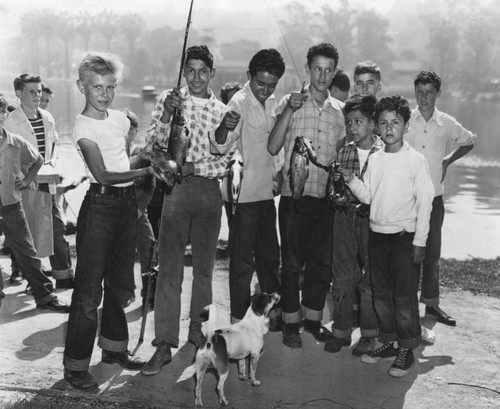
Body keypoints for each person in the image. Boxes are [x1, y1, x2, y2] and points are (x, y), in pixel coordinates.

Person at [141, 45, 240, 376]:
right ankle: (164, 345)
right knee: (168, 269)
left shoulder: (222, 111)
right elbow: (150, 145)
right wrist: (168, 115)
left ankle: (198, 330)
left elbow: (225, 162)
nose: (196, 77)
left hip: (208, 195)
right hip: (174, 193)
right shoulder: (170, 100)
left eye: (202, 71)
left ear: (212, 73)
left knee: (204, 271)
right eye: (190, 70)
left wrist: (195, 168)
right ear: (184, 72)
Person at [63, 52, 156, 390]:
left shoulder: (118, 119)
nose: (103, 94)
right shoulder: (82, 126)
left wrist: (147, 156)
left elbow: (121, 160)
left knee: (118, 284)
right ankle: (75, 368)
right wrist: (145, 169)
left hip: (126, 205)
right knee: (88, 293)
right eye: (96, 87)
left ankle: (114, 349)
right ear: (81, 87)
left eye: (110, 87)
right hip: (100, 206)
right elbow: (102, 172)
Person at [339, 95, 434, 377]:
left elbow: (426, 203)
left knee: (404, 297)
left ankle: (406, 350)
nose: (389, 128)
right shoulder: (376, 159)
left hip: (405, 238)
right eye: (383, 123)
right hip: (377, 237)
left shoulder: (416, 161)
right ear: (377, 128)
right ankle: (391, 341)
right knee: (381, 295)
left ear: (406, 126)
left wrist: (420, 241)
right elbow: (369, 196)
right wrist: (351, 180)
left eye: (396, 122)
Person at [268, 42, 346, 349]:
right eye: (317, 69)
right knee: (291, 263)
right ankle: (290, 322)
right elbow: (273, 147)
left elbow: (343, 155)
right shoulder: (290, 102)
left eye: (329, 70)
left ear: (335, 72)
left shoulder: (340, 112)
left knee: (321, 263)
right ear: (307, 69)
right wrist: (289, 108)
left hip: (326, 201)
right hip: (294, 198)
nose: (322, 76)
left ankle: (313, 320)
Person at [221, 48, 285, 330]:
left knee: (270, 259)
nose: (265, 89)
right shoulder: (238, 102)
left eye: (272, 85)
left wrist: (279, 174)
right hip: (242, 197)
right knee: (242, 264)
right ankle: (238, 319)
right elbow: (220, 145)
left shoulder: (272, 102)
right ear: (249, 77)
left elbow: (275, 148)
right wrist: (225, 126)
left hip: (266, 196)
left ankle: (272, 314)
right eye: (260, 83)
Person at [406, 71, 477, 327]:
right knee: (408, 253)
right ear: (414, 92)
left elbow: (470, 140)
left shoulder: (446, 123)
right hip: (407, 199)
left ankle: (432, 304)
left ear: (438, 94)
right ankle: (406, 304)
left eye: (429, 93)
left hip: (434, 199)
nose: (424, 98)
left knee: (432, 253)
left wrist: (449, 159)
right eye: (420, 92)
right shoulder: (405, 120)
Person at [324, 94, 384, 355]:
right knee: (342, 276)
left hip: (373, 221)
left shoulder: (384, 152)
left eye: (358, 121)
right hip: (344, 219)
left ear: (373, 124)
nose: (352, 127)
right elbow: (332, 195)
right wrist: (335, 189)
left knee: (370, 279)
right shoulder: (343, 152)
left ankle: (369, 335)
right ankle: (341, 331)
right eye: (349, 122)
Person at [0, 93, 69, 313]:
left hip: (11, 206)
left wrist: (28, 179)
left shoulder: (15, 142)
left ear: (4, 114)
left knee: (28, 253)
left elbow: (38, 159)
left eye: (0, 112)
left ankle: (46, 296)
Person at [122, 107, 156, 307]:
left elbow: (150, 185)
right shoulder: (112, 154)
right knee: (122, 253)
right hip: (118, 211)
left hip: (139, 211)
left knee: (149, 248)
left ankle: (149, 292)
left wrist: (140, 208)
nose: (125, 134)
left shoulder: (141, 153)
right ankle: (126, 291)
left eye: (129, 130)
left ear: (135, 131)